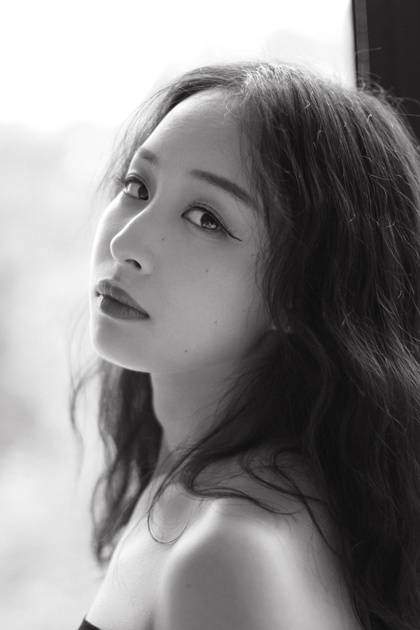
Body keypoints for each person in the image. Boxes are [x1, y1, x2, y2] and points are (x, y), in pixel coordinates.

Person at [72, 61, 420, 630]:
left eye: (205, 218)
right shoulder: (195, 479)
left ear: (301, 292)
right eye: (138, 187)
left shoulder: (229, 555)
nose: (125, 241)